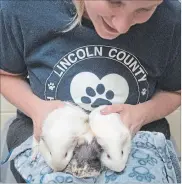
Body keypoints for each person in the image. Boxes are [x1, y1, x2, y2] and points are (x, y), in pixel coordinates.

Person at [0, 0, 181, 182]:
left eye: (144, 9)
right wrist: (37, 110)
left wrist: (140, 115)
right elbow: (6, 75)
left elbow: (175, 91)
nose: (122, 26)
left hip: (137, 134)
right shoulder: (21, 7)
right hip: (41, 130)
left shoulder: (171, 18)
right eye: (114, 2)